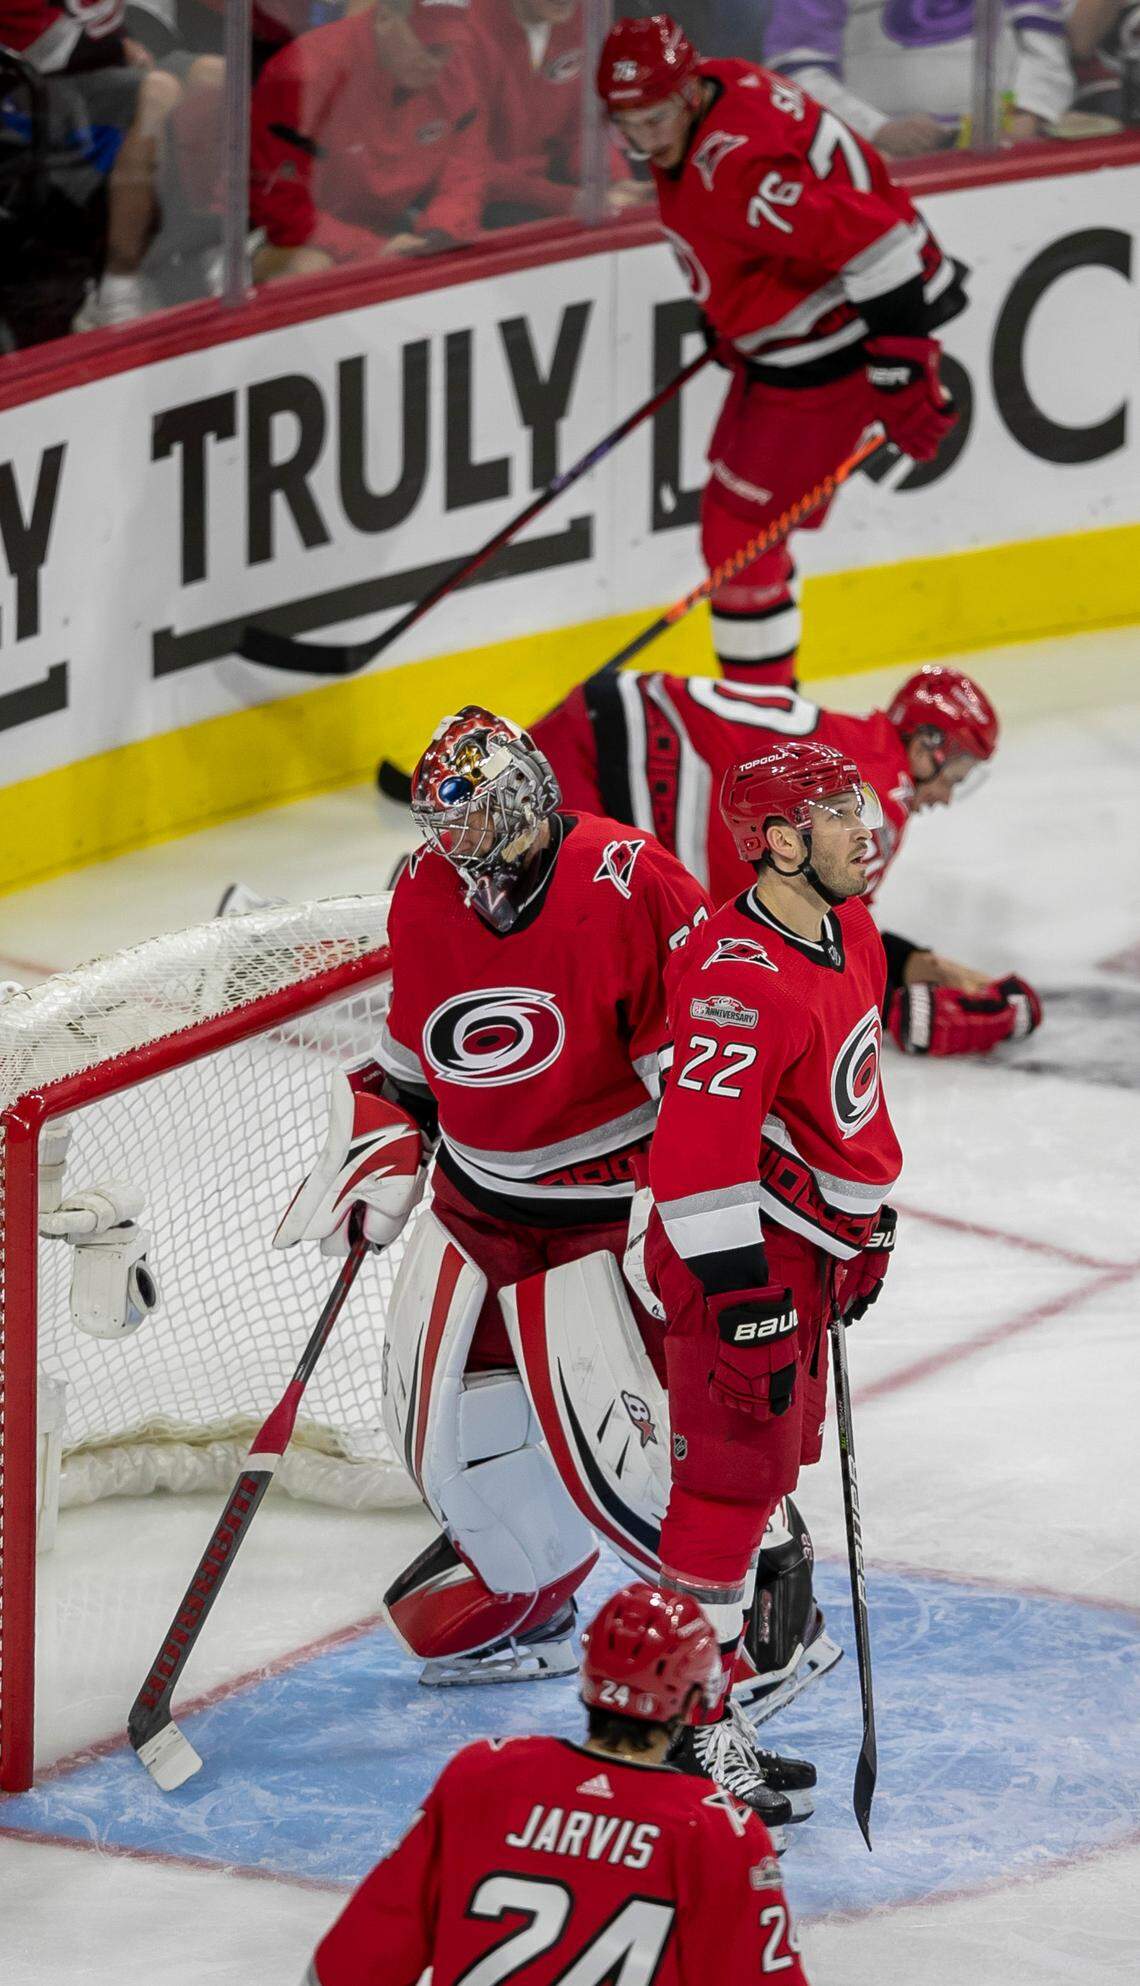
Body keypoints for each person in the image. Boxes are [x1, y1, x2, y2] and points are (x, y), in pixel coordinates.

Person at [275, 706, 808, 1822]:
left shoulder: (633, 877)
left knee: (651, 1468)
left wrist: (685, 1202)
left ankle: (762, 1624)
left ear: (522, 803)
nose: (455, 859)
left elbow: (701, 1068)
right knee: (442, 1450)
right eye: (441, 836)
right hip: (477, 1209)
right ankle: (534, 1602)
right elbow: (412, 1068)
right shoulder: (425, 891)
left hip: (603, 1219)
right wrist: (380, 1150)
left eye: (471, 830)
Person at [639, 740, 902, 1733]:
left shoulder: (853, 931)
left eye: (857, 805)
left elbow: (845, 1100)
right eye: (838, 814)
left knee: (758, 1488)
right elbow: (696, 1159)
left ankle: (720, 1708)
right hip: (737, 1263)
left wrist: (863, 1228)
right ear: (783, 845)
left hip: (802, 1254)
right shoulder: (736, 979)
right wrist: (745, 1300)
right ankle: (678, 1738)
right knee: (723, 1493)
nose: (864, 828)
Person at [595, 15, 967, 691]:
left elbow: (880, 248)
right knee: (741, 530)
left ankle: (764, 720)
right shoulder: (728, 82)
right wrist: (740, 309)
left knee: (739, 538)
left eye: (656, 119)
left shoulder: (734, 169)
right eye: (629, 125)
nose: (646, 141)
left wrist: (901, 361)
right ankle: (764, 705)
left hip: (838, 342)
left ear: (686, 94)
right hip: (805, 332)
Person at [306, 1582, 813, 1985]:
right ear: (689, 1704)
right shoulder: (716, 1830)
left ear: (588, 1680)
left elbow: (345, 1970)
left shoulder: (481, 1777)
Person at [531, 662, 1043, 1055]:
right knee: (569, 979)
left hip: (604, 725)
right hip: (599, 762)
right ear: (930, 745)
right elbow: (815, 953)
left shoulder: (869, 754)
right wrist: (920, 1010)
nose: (949, 797)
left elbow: (835, 929)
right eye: (954, 775)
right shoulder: (876, 800)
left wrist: (932, 969)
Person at [248, 0, 487, 281]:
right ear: (385, 19)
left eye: (451, 44)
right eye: (429, 45)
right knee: (309, 269)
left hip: (390, 225)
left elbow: (466, 171)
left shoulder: (455, 71)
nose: (440, 60)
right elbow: (281, 206)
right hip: (281, 237)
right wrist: (373, 250)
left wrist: (440, 234)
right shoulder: (304, 72)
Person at [762, 0, 1074, 157]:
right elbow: (798, 73)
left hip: (1006, 142)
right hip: (876, 155)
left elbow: (1045, 47)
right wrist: (877, 129)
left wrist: (1029, 113)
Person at [466, 0, 646, 225]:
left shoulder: (582, 18)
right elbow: (467, 162)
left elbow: (580, 128)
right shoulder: (469, 31)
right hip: (485, 197)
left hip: (544, 184)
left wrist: (614, 180)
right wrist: (565, 199)